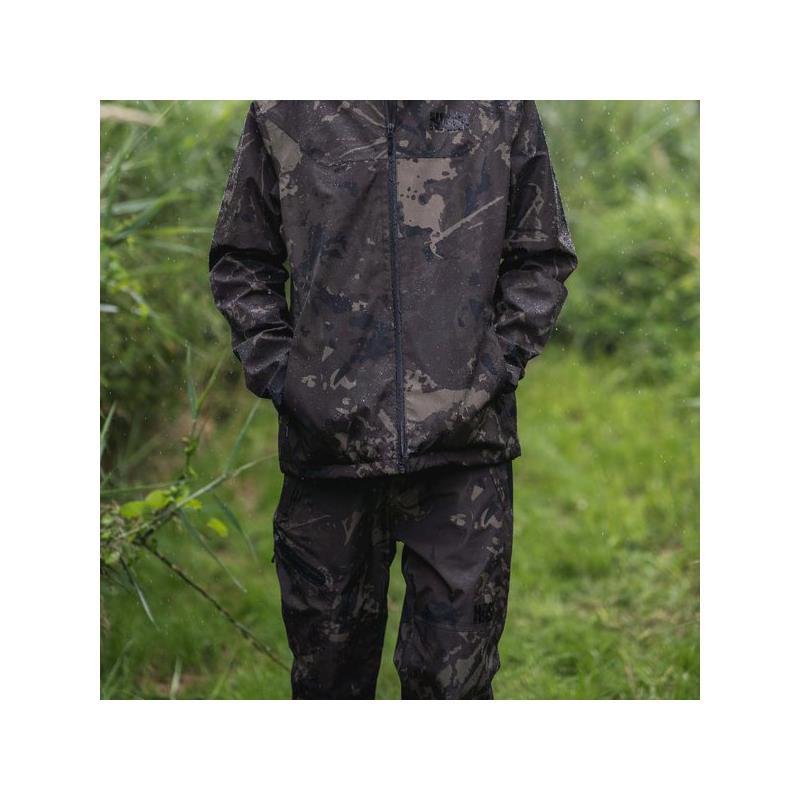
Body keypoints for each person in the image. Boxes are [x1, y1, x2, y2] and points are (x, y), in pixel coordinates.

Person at [209, 101, 577, 699]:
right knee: (328, 687)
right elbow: (242, 257)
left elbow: (540, 256)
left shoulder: (499, 102)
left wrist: (491, 370)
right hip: (328, 457)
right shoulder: (287, 105)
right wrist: (290, 380)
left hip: (463, 459)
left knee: (454, 692)